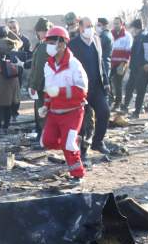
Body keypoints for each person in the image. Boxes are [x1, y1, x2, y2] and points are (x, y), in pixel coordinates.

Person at [38, 26, 88, 180]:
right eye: (48, 41)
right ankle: (72, 140)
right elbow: (48, 90)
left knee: (68, 146)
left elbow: (82, 91)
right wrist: (45, 106)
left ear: (62, 43)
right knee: (46, 142)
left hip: (73, 112)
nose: (49, 45)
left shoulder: (74, 65)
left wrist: (59, 91)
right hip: (54, 112)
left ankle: (77, 175)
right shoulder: (48, 65)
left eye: (52, 41)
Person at [68, 17, 110, 158]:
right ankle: (81, 149)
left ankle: (98, 142)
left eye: (92, 25)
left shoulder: (97, 40)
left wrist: (106, 81)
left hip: (97, 86)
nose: (91, 28)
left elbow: (101, 62)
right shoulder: (73, 45)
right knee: (83, 121)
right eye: (88, 26)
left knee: (104, 112)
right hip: (81, 88)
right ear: (80, 28)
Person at [0, 26, 23, 130]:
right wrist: (9, 32)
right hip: (11, 76)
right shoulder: (14, 44)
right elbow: (20, 41)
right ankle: (6, 126)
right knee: (8, 102)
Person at [28, 18, 53, 138]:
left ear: (40, 31)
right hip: (50, 86)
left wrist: (33, 85)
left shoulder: (43, 46)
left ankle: (44, 138)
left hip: (42, 86)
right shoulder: (53, 44)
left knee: (42, 112)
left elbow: (39, 69)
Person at [7, 18, 31, 117]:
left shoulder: (25, 40)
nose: (12, 30)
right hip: (7, 70)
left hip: (20, 69)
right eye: (10, 28)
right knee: (8, 91)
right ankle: (8, 111)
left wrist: (24, 61)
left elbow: (29, 55)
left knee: (17, 91)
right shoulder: (6, 40)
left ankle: (15, 111)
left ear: (18, 27)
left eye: (14, 27)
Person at [108, 18, 132, 110]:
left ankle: (117, 103)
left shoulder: (127, 36)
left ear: (122, 24)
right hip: (111, 63)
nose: (116, 25)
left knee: (118, 83)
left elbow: (128, 51)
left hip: (121, 63)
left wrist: (123, 64)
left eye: (117, 23)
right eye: (114, 23)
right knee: (108, 81)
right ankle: (110, 99)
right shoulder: (111, 34)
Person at [122, 20, 145, 115]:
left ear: (136, 28)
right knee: (130, 87)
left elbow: (138, 54)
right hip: (135, 67)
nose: (132, 30)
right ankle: (127, 106)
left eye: (133, 28)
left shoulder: (141, 37)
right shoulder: (138, 37)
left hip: (138, 68)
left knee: (138, 89)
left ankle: (138, 109)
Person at [96, 18, 113, 84]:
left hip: (104, 63)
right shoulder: (108, 34)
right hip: (106, 62)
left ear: (105, 26)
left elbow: (97, 47)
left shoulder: (104, 36)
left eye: (99, 25)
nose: (97, 27)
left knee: (103, 85)